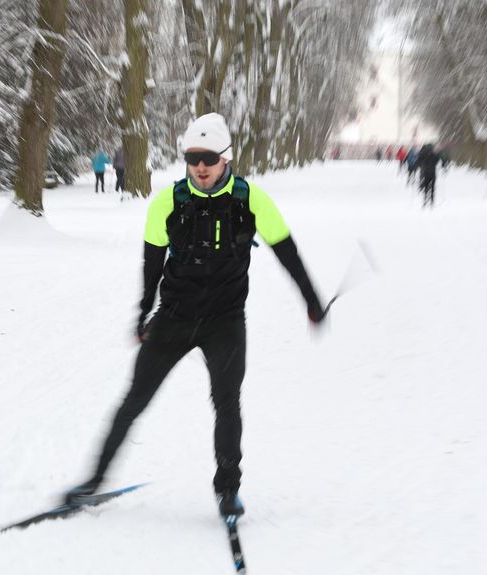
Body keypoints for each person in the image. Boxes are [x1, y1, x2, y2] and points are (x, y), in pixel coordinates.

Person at [64, 113, 327, 518]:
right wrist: (142, 314)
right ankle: (92, 483)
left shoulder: (250, 200)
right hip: (174, 318)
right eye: (192, 158)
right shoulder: (167, 202)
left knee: (227, 403)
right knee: (133, 401)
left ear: (226, 158)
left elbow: (287, 254)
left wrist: (311, 299)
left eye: (207, 158)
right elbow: (151, 264)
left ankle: (227, 489)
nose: (200, 167)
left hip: (225, 322)